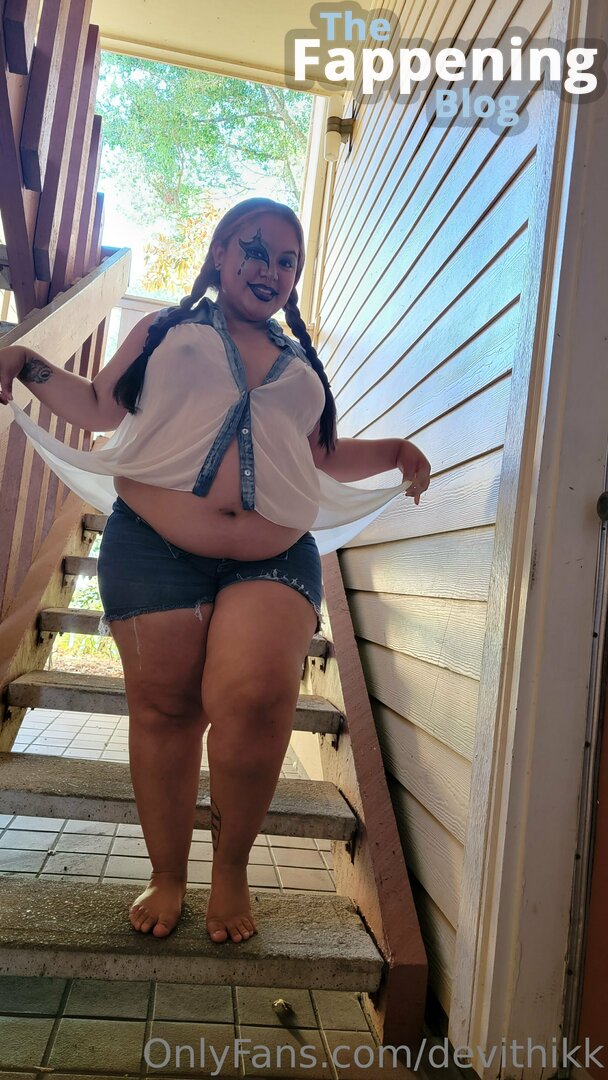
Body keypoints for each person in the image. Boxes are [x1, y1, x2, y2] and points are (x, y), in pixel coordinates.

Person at [0, 197, 431, 945]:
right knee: (167, 713)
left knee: (258, 702)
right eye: (256, 250)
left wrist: (394, 452)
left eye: (287, 261)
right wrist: (27, 363)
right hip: (154, 548)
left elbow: (322, 456)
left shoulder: (301, 363)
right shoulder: (165, 331)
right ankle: (168, 874)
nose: (271, 269)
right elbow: (98, 406)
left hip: (275, 555)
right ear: (222, 253)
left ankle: (231, 869)